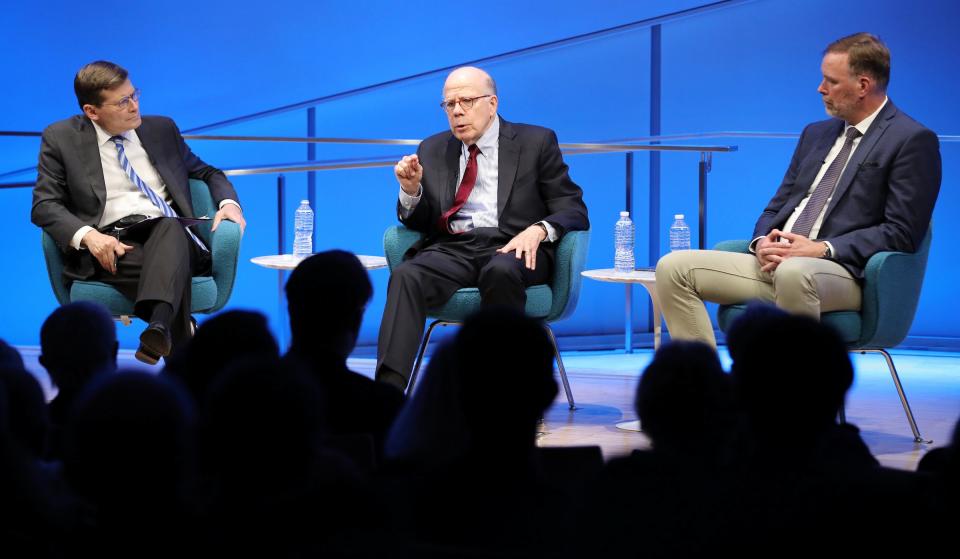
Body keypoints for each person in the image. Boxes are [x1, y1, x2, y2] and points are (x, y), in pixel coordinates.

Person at [655, 33, 941, 347]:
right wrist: (762, 241)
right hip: (778, 264)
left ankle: (795, 393)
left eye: (831, 81)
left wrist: (823, 248)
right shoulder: (815, 134)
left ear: (863, 85)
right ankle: (703, 384)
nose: (821, 88)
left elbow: (902, 232)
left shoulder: (911, 140)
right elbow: (776, 207)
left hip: (841, 272)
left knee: (795, 273)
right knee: (673, 267)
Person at [376, 66, 589, 390]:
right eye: (449, 104)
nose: (457, 111)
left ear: (492, 103)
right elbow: (421, 222)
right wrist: (411, 191)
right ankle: (387, 394)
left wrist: (539, 230)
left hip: (513, 247)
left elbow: (573, 208)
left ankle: (499, 396)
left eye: (467, 101)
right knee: (407, 275)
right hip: (453, 248)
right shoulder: (432, 149)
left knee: (500, 271)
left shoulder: (536, 142)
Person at [32, 60, 246, 364]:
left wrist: (228, 204)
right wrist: (90, 237)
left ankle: (161, 326)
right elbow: (44, 204)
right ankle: (171, 329)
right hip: (114, 245)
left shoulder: (161, 129)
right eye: (122, 102)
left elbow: (208, 172)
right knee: (167, 261)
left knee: (169, 226)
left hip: (175, 237)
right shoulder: (61, 137)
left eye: (135, 95)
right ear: (92, 111)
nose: (134, 106)